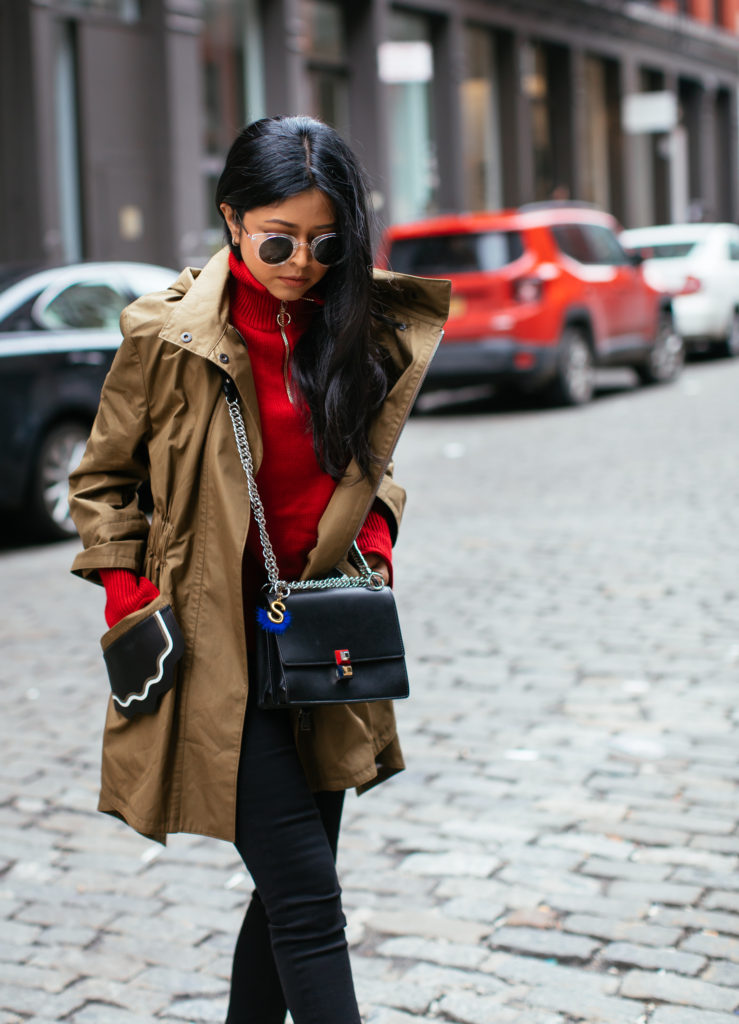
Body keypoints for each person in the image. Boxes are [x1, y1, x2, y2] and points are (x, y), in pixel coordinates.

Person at [68, 115, 450, 1024]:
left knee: (285, 896)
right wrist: (131, 598)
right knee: (311, 904)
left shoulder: (356, 329)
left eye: (326, 241)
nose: (302, 262)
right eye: (278, 238)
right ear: (232, 220)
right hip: (209, 653)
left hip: (319, 643)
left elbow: (371, 477)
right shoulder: (165, 337)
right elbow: (101, 482)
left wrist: (378, 546)